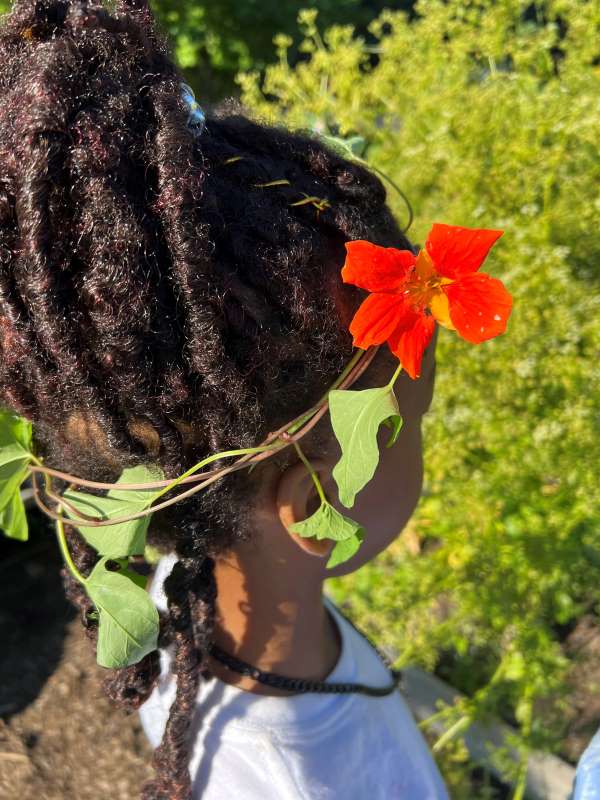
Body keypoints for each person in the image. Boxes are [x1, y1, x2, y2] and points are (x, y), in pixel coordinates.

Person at [0, 1, 448, 797]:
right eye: (410, 423)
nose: (424, 440)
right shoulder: (321, 781)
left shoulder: (180, 591)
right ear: (314, 505)